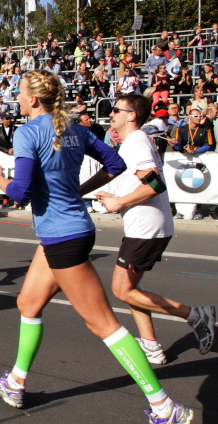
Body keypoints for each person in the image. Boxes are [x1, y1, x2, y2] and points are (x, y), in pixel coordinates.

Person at [0, 71, 194, 423]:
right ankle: (15, 382)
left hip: (63, 237)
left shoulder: (28, 132)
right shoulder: (75, 129)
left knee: (104, 324)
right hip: (66, 231)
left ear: (33, 99)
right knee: (28, 303)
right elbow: (115, 164)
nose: (16, 98)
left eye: (19, 93)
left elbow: (21, 192)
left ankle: (164, 407)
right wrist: (78, 192)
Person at [82, 94, 216, 365]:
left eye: (116, 110)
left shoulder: (136, 142)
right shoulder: (134, 142)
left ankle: (195, 315)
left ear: (131, 115)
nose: (111, 114)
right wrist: (115, 196)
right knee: (133, 287)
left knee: (122, 290)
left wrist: (119, 202)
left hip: (146, 228)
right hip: (144, 226)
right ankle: (151, 346)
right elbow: (143, 182)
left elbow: (155, 184)